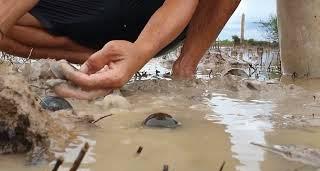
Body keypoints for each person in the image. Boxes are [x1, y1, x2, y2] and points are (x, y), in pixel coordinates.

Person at [0, 0, 240, 95]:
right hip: (92, 16)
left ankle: (185, 71)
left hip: (159, 23)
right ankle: (95, 61)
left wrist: (141, 50)